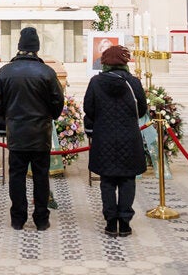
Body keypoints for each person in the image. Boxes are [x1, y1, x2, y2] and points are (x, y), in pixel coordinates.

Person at [0, 26, 65, 231]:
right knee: (41, 176)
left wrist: (6, 117)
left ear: (19, 47)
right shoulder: (47, 72)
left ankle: (17, 219)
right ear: (37, 48)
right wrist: (50, 117)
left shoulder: (5, 71)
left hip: (17, 132)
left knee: (16, 176)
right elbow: (58, 100)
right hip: (40, 132)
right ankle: (41, 219)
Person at [83, 45, 147, 237]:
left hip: (104, 137)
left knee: (108, 180)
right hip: (129, 137)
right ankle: (125, 223)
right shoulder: (134, 82)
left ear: (105, 63)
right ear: (124, 62)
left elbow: (89, 108)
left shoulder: (96, 82)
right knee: (128, 179)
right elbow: (142, 109)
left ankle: (111, 222)